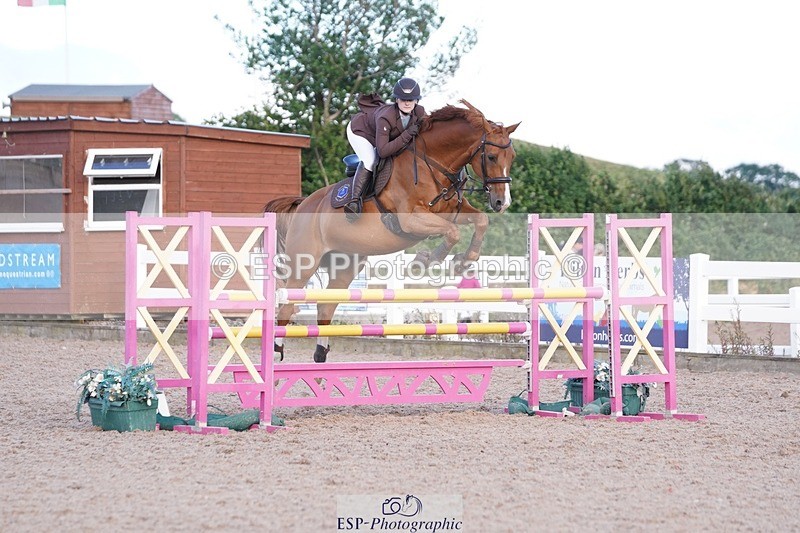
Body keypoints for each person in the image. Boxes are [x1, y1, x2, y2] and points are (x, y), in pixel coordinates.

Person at [344, 77, 427, 222]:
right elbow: (383, 151)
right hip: (361, 131)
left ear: (416, 101)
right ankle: (354, 202)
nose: (407, 103)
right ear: (397, 100)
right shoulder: (386, 117)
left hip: (384, 136)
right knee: (370, 160)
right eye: (403, 99)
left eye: (411, 99)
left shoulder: (419, 112)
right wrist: (407, 134)